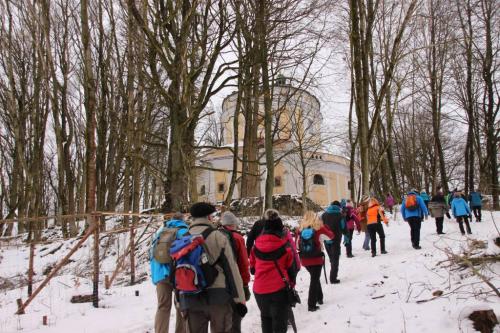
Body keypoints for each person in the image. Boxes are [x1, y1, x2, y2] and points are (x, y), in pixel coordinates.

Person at [179, 202, 246, 333]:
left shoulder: (183, 239)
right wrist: (240, 299)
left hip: (191, 298)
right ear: (209, 217)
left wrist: (179, 300)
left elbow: (176, 271)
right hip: (219, 297)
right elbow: (232, 269)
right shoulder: (218, 237)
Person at [250, 213, 297, 333]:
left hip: (259, 290)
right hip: (279, 290)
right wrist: (291, 285)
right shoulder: (285, 248)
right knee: (280, 324)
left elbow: (253, 269)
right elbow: (291, 271)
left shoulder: (255, 247)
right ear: (280, 229)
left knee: (266, 318)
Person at [150, 213, 189, 333]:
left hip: (161, 275)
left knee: (162, 307)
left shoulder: (159, 233)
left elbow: (152, 255)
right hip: (177, 275)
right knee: (180, 306)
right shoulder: (184, 231)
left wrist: (155, 277)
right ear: (183, 220)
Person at [220, 212, 251, 333]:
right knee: (236, 314)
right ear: (233, 224)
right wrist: (245, 284)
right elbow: (244, 263)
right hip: (235, 281)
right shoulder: (237, 238)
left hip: (219, 282)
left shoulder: (216, 235)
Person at [297, 211, 334, 311]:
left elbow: (297, 245)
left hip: (304, 260)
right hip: (317, 259)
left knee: (315, 277)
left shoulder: (300, 230)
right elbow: (331, 236)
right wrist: (325, 227)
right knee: (314, 280)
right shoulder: (319, 229)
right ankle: (311, 305)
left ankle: (319, 298)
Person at [321, 201, 346, 283]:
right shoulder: (340, 215)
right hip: (336, 239)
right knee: (335, 259)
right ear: (339, 207)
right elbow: (344, 227)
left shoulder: (324, 215)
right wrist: (347, 236)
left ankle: (333, 273)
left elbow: (320, 226)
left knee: (332, 258)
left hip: (326, 240)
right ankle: (333, 278)